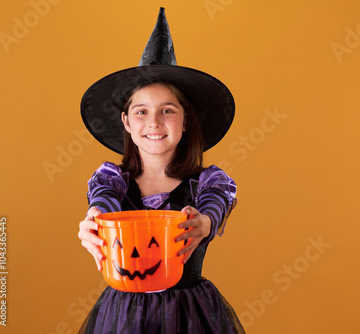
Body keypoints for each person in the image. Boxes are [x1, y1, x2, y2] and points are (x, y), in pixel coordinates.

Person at [77, 8, 244, 334]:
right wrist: (96, 218)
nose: (153, 122)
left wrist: (203, 222)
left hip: (190, 317)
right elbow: (103, 201)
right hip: (123, 316)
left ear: (185, 121)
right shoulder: (113, 182)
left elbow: (215, 207)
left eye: (167, 110)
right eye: (141, 111)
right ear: (126, 122)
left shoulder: (208, 184)